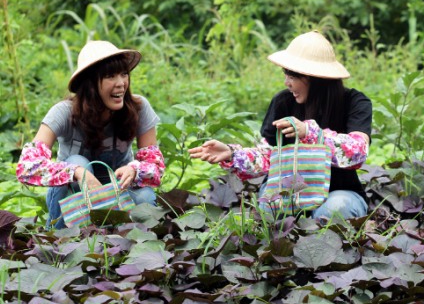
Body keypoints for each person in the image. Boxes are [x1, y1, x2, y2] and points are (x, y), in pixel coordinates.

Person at [189, 30, 372, 219]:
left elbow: (357, 152)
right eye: (286, 75)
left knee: (335, 208)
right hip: (289, 191)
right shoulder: (283, 102)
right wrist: (232, 154)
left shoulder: (354, 102)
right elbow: (268, 155)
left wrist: (308, 133)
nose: (287, 83)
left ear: (315, 78)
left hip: (340, 191)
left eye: (292, 77)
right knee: (271, 207)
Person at [16, 40, 165, 229]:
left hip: (117, 190)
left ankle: (132, 246)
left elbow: (155, 164)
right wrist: (77, 173)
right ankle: (58, 241)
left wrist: (135, 169)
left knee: (145, 196)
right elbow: (27, 166)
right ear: (90, 83)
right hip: (74, 194)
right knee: (78, 161)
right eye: (110, 76)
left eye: (124, 74)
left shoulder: (138, 108)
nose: (121, 83)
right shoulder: (64, 112)